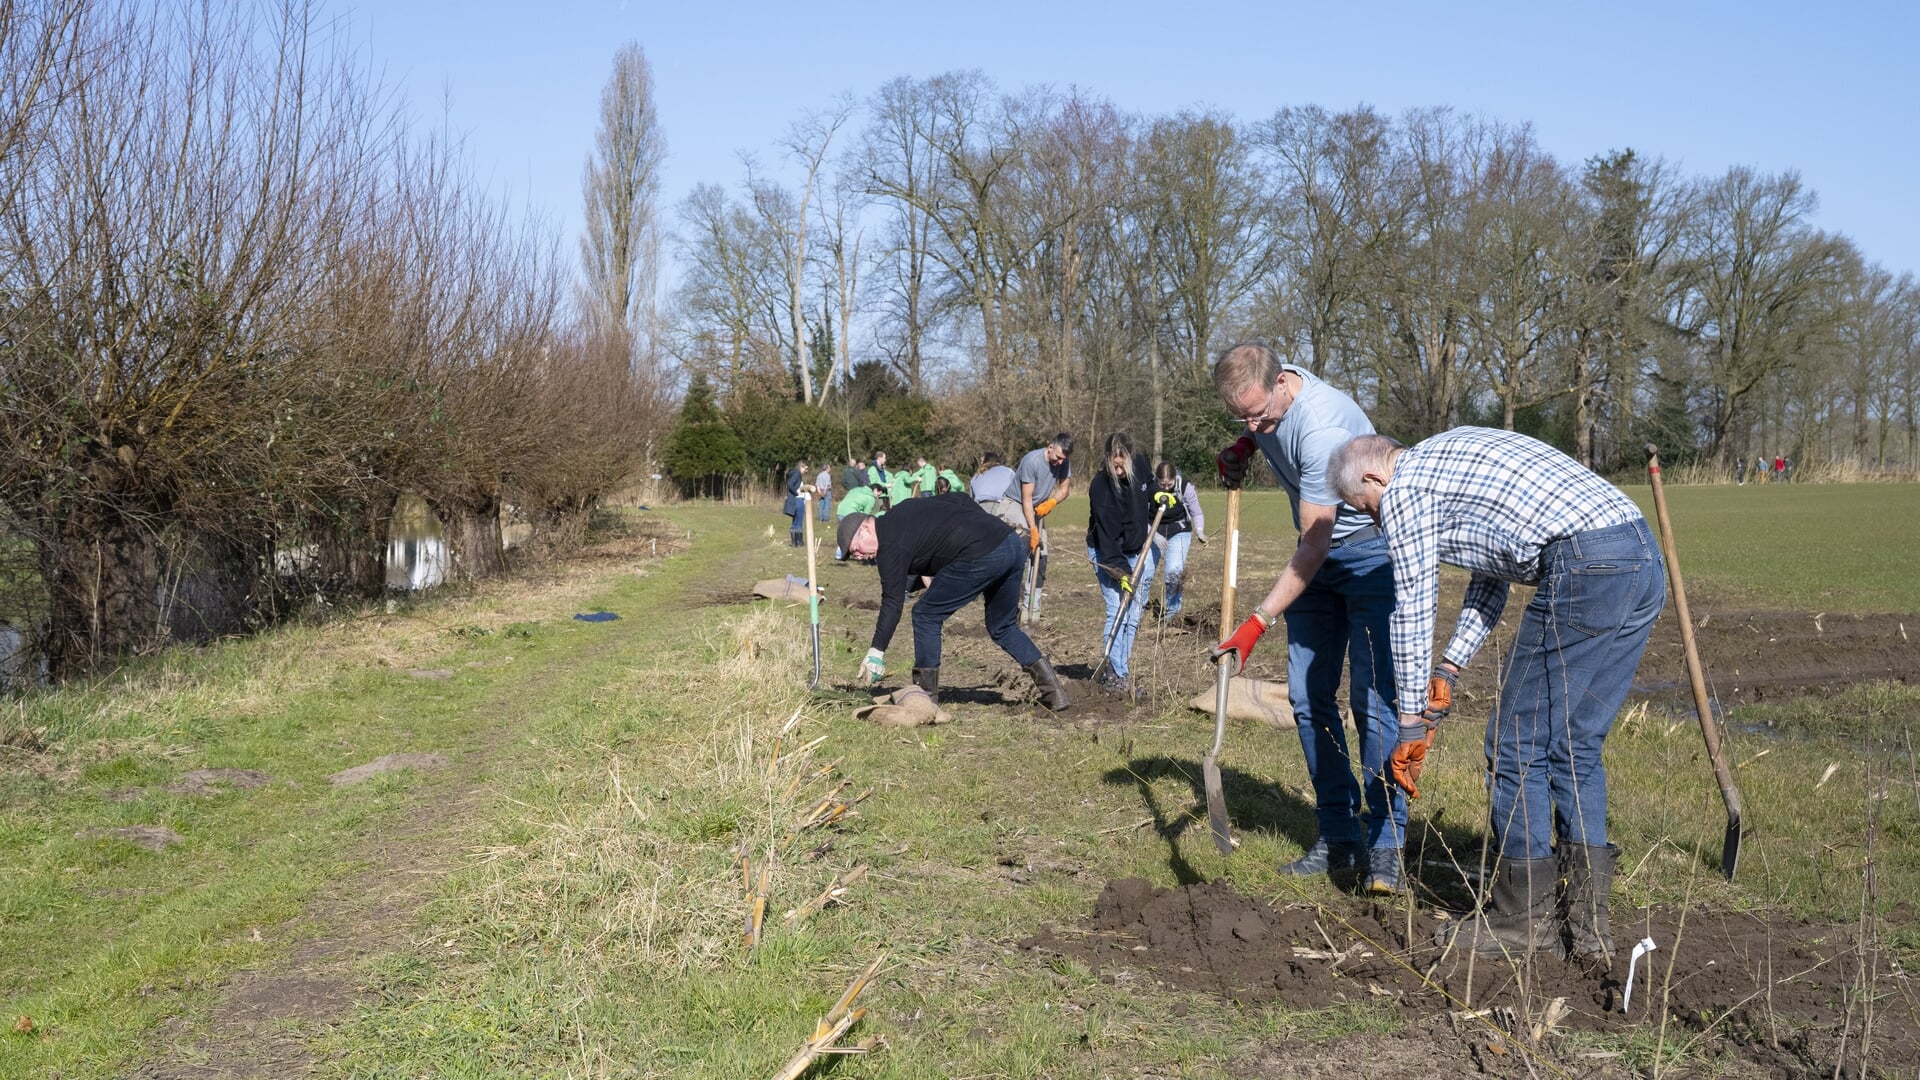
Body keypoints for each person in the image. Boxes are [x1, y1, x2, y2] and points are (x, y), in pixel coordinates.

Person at [1329, 428, 1666, 962]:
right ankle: (1585, 923)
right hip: (1639, 559)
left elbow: (1413, 608)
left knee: (1515, 744)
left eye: (1365, 508)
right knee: (1575, 746)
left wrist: (1412, 721)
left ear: (1373, 478)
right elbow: (1494, 576)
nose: (1375, 521)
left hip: (1586, 563)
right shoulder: (1448, 458)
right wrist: (1450, 666)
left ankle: (1522, 920)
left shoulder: (1405, 490)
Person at [1209, 342, 1405, 893]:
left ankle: (1386, 844)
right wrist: (1246, 443)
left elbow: (1316, 543)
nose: (1254, 423)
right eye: (1240, 416)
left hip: (1367, 552)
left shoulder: (1319, 428)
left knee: (1372, 699)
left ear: (1281, 385)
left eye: (1259, 414)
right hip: (1320, 556)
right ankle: (1338, 836)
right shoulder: (1269, 404)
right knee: (1308, 697)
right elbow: (1263, 425)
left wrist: (1256, 623)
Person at [836, 495, 1070, 711]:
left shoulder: (889, 546)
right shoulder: (904, 511)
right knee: (1003, 627)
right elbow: (960, 498)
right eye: (851, 556)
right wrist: (987, 527)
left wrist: (876, 651)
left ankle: (926, 698)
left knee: (925, 614)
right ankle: (1055, 693)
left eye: (854, 548)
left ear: (865, 526)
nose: (856, 556)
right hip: (1010, 542)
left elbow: (892, 602)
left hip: (981, 554)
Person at [1086, 433, 1156, 698]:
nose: (1118, 468)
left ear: (1129, 457)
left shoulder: (1138, 463)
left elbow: (1149, 485)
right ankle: (1115, 674)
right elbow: (1107, 541)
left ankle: (1120, 669)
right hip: (1106, 552)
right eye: (1113, 463)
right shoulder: (1100, 488)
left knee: (1134, 613)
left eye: (1122, 463)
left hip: (1136, 548)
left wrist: (1160, 495)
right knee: (1118, 610)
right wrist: (1120, 573)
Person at [1017, 434, 1075, 599]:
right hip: (1016, 503)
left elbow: (1064, 490)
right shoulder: (1032, 461)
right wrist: (1033, 529)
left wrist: (1051, 503)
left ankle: (1033, 607)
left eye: (1064, 459)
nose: (1060, 462)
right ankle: (1011, 601)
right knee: (1021, 546)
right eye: (1058, 457)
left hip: (1038, 507)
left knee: (1041, 555)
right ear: (1050, 447)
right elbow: (1026, 500)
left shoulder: (1063, 461)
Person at [1151, 462, 1205, 619]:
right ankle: (1138, 611)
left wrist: (1200, 531)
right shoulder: (1150, 487)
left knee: (1173, 573)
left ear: (1176, 479)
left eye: (1170, 484)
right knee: (1144, 573)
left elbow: (1197, 512)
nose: (1166, 488)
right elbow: (1140, 516)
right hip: (1155, 533)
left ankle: (1173, 613)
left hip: (1179, 532)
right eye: (1163, 484)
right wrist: (1153, 534)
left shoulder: (1184, 486)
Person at [972, 450, 1023, 528]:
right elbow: (1017, 491)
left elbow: (972, 498)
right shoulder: (1008, 472)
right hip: (1002, 507)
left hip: (981, 508)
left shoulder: (976, 476)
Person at [783, 460, 808, 547]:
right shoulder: (797, 474)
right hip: (798, 500)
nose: (806, 471)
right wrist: (797, 493)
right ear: (801, 467)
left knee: (795, 521)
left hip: (795, 500)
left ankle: (794, 543)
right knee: (799, 521)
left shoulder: (794, 473)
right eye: (805, 468)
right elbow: (790, 484)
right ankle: (799, 542)